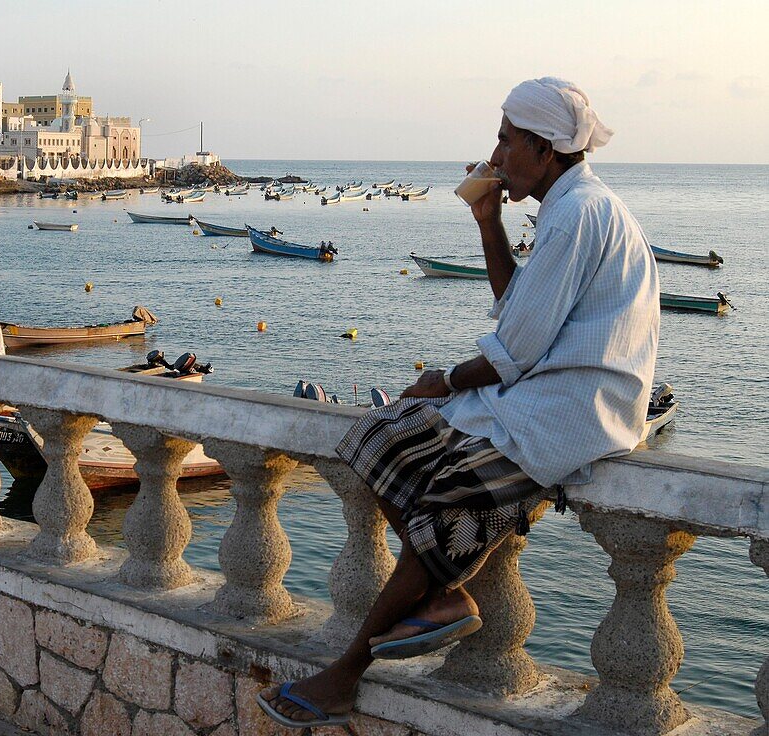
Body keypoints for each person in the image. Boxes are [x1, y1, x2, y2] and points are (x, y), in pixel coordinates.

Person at [257, 77, 659, 729]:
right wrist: (486, 219)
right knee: (380, 434)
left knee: (444, 505)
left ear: (545, 146)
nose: (495, 155)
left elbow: (519, 344)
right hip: (538, 392)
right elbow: (516, 307)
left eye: (505, 139)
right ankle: (446, 592)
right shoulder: (564, 207)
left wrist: (444, 380)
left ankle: (346, 671)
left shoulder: (582, 212)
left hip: (574, 411)